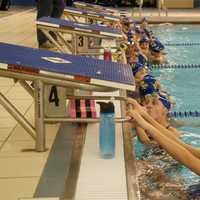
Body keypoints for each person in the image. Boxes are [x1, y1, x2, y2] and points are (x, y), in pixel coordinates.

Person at [127, 97, 200, 176]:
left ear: (165, 110)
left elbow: (187, 158)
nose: (149, 106)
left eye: (154, 103)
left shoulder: (174, 131)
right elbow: (184, 147)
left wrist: (144, 122)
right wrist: (143, 119)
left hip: (168, 165)